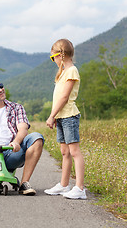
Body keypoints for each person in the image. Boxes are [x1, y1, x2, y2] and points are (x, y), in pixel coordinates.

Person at [44, 38, 86, 199]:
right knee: (64, 152)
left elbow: (64, 97)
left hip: (69, 116)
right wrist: (56, 115)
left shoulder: (72, 71)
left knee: (74, 151)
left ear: (60, 55)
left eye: (52, 57)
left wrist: (51, 115)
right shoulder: (63, 73)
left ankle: (80, 188)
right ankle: (63, 185)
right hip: (62, 116)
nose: (53, 60)